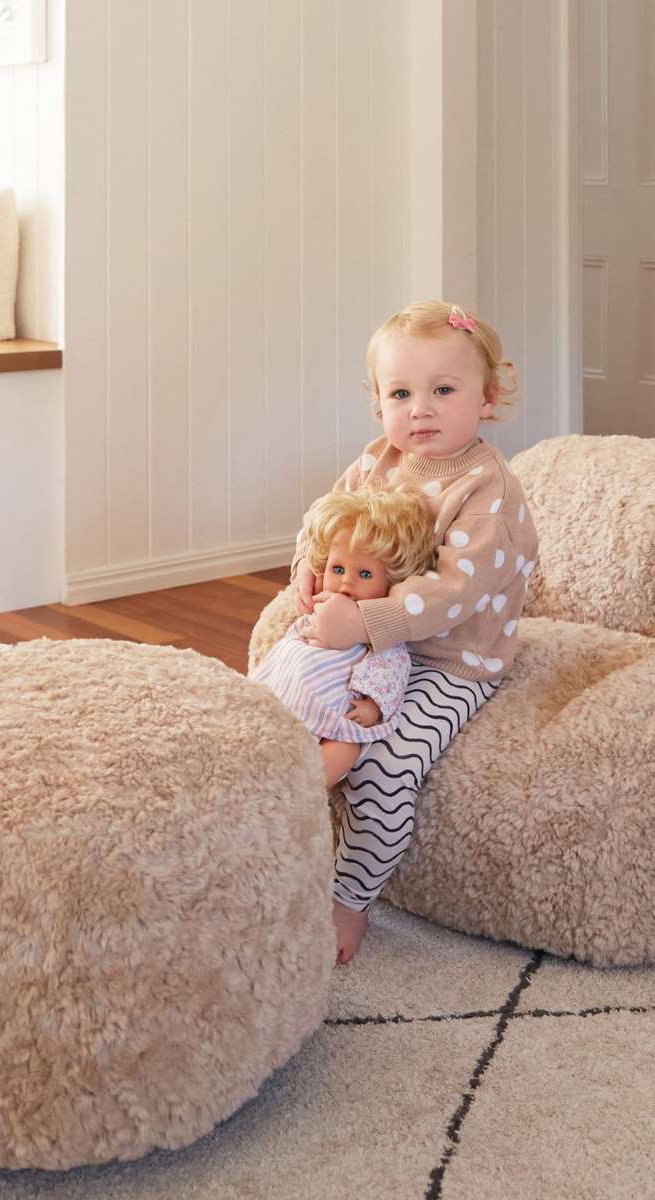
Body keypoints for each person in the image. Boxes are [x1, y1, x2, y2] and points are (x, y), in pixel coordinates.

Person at [291, 300, 539, 966]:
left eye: (443, 391)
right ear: (378, 403)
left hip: (450, 659)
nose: (420, 410)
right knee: (284, 720)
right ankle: (281, 854)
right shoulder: (378, 462)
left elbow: (453, 593)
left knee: (385, 764)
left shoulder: (488, 492)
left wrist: (362, 621)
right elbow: (325, 526)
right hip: (370, 642)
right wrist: (308, 574)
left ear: (487, 398)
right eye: (401, 394)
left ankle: (350, 900)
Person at [249, 483, 436, 791]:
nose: (346, 582)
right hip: (288, 695)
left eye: (365, 574)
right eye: (337, 569)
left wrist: (373, 708)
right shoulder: (317, 609)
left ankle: (304, 788)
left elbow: (392, 674)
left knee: (346, 746)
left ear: (391, 582)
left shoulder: (378, 634)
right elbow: (288, 648)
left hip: (333, 712)